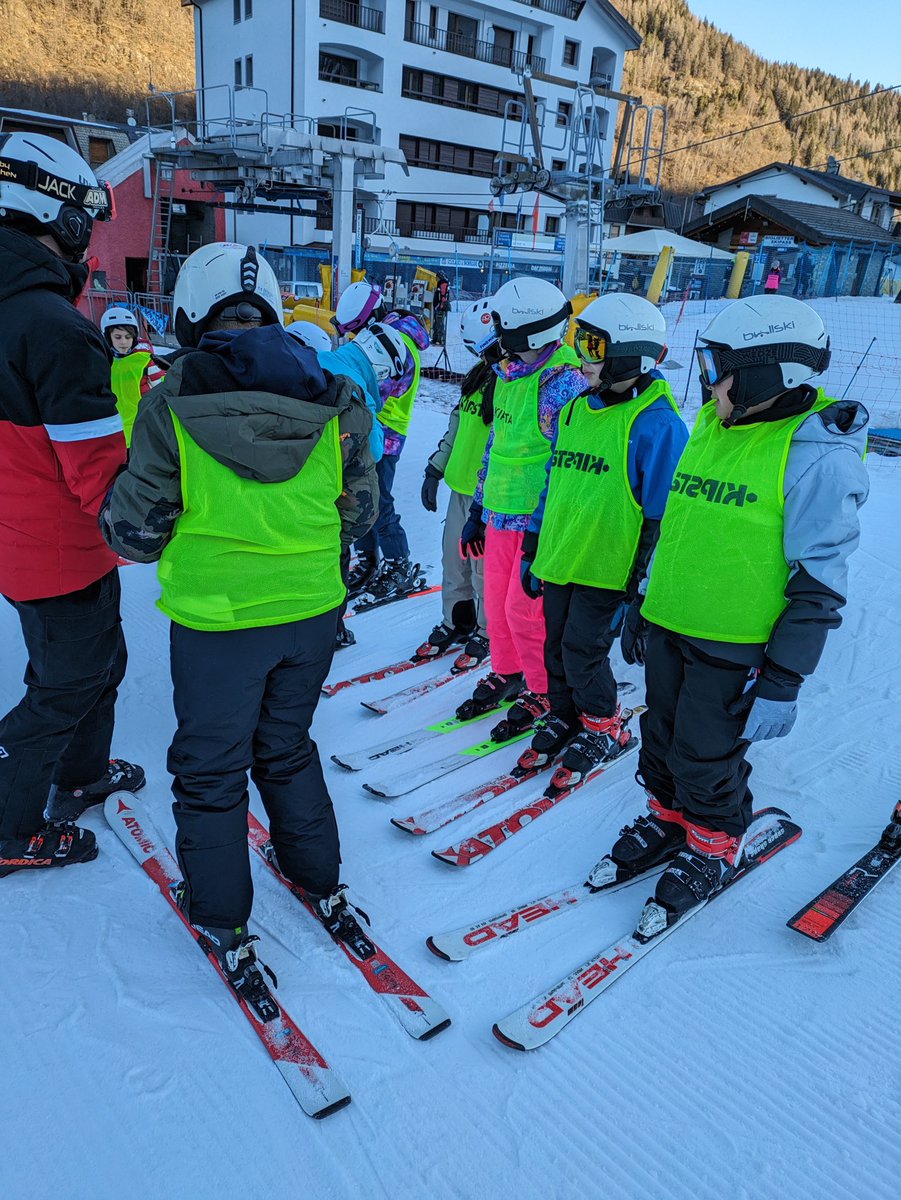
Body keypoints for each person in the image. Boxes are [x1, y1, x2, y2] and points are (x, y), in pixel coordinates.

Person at [99, 242, 379, 1003]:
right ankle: (314, 871)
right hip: (312, 612)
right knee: (284, 746)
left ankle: (222, 915)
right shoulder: (333, 390)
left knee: (212, 768)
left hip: (219, 622)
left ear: (192, 313)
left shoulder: (170, 399)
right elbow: (359, 514)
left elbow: (136, 531)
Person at [592, 295, 868, 927]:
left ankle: (714, 841)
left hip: (736, 643)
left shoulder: (815, 451)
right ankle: (668, 819)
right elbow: (678, 524)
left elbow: (819, 582)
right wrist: (643, 598)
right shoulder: (717, 424)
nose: (709, 379)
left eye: (722, 365)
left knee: (704, 754)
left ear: (771, 373)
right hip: (671, 622)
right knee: (658, 736)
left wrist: (783, 678)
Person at [0, 132, 143, 877]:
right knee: (60, 689)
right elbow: (98, 474)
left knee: (96, 665)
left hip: (21, 541)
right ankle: (8, 828)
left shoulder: (20, 314)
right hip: (62, 551)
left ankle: (81, 776)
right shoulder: (55, 330)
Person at [519, 294, 688, 784]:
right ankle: (567, 715)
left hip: (608, 568)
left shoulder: (656, 424)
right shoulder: (574, 411)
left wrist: (640, 585)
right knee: (554, 645)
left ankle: (603, 725)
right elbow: (556, 481)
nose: (581, 357)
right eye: (579, 343)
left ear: (628, 356)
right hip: (560, 557)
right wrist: (533, 542)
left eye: (592, 346)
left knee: (582, 650)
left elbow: (662, 516)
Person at [455, 277, 587, 741]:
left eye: (508, 337)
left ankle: (543, 688)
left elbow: (566, 463)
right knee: (496, 605)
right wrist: (477, 508)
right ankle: (511, 672)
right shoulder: (509, 376)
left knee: (525, 612)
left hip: (537, 521)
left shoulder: (564, 384)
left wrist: (545, 527)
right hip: (499, 514)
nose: (501, 347)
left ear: (531, 336)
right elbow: (495, 445)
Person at [291, 318, 408, 649]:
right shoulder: (356, 385)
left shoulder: (315, 358)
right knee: (331, 561)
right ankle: (330, 630)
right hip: (324, 492)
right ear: (381, 369)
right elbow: (371, 448)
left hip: (283, 481)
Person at [334, 281, 430, 601]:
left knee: (379, 501)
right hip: (367, 429)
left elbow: (374, 394)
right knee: (357, 496)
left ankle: (398, 562)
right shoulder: (379, 336)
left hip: (384, 434)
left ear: (372, 317)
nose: (354, 338)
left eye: (357, 329)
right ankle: (368, 558)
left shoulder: (395, 344)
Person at [417, 298, 496, 670]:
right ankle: (457, 621)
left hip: (490, 498)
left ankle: (487, 630)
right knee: (454, 563)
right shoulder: (477, 378)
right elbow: (455, 429)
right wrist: (435, 470)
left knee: (483, 572)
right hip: (460, 491)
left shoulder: (511, 387)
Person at [100, 304, 167, 445]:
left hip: (141, 427)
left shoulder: (144, 360)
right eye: (117, 337)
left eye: (128, 337)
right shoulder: (102, 362)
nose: (123, 342)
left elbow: (162, 390)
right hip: (112, 429)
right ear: (107, 337)